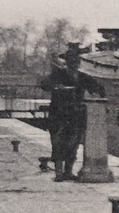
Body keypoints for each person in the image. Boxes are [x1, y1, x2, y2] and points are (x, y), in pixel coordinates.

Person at [41, 43, 98, 181]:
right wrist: (56, 87)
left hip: (76, 114)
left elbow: (97, 87)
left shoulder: (83, 77)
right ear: (67, 62)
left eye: (76, 62)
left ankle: (68, 171)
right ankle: (59, 173)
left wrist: (97, 94)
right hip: (58, 114)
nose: (74, 65)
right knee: (58, 143)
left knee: (74, 143)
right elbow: (44, 85)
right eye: (71, 62)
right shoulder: (58, 74)